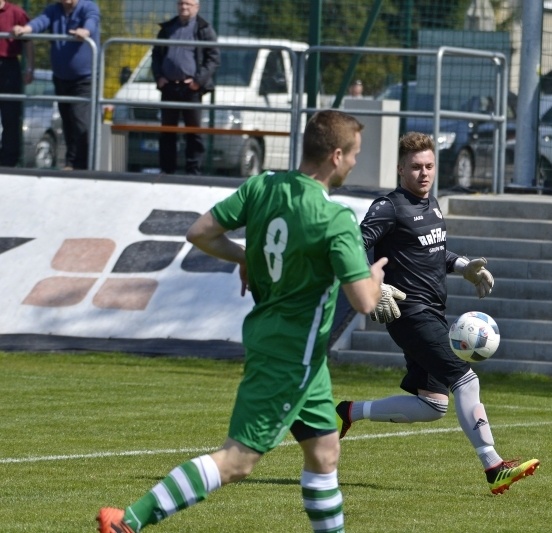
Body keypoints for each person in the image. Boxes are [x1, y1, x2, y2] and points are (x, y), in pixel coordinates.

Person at [96, 110, 387, 533]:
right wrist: (376, 279)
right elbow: (363, 301)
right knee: (237, 460)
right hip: (291, 357)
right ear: (336, 156)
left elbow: (200, 233)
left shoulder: (262, 185)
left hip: (293, 351)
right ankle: (131, 521)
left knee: (324, 452)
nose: (356, 163)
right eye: (355, 155)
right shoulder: (334, 219)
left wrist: (245, 256)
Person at [335, 132, 540, 495]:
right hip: (408, 312)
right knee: (466, 379)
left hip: (433, 312)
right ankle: (494, 466)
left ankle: (351, 411)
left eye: (429, 166)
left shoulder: (432, 205)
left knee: (431, 405)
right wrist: (372, 282)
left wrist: (464, 267)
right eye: (415, 167)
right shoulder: (389, 207)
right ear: (400, 169)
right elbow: (351, 244)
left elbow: (433, 254)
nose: (424, 173)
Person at [12, 0, 99, 170]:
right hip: (61, 77)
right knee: (67, 121)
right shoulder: (54, 10)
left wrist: (85, 31)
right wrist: (25, 29)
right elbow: (40, 22)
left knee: (80, 121)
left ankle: (81, 166)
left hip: (84, 79)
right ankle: (71, 163)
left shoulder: (89, 7)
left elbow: (92, 21)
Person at [152, 0, 220, 175]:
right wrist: (159, 77)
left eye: (189, 4)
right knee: (167, 131)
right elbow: (156, 55)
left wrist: (199, 81)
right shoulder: (167, 29)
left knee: (194, 132)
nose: (184, 7)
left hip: (191, 89)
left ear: (197, 7)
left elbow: (213, 58)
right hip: (169, 87)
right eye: (181, 3)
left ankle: (193, 172)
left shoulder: (204, 29)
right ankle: (167, 170)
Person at [0, 0, 34, 167]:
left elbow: (28, 41)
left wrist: (30, 67)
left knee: (10, 115)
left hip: (9, 66)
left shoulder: (17, 13)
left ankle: (8, 160)